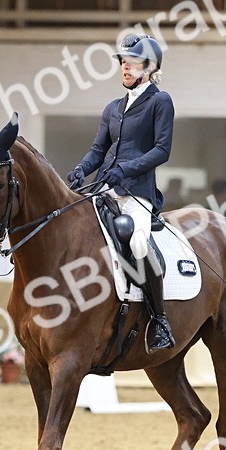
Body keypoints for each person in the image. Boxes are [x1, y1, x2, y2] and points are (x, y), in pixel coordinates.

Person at [67, 33, 176, 352]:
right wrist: (81, 169)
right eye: (123, 63)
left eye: (132, 63)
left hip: (136, 192)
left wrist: (126, 170)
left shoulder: (160, 101)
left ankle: (160, 321)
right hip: (104, 188)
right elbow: (98, 149)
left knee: (139, 242)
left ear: (149, 67)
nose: (125, 68)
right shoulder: (113, 108)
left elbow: (162, 150)